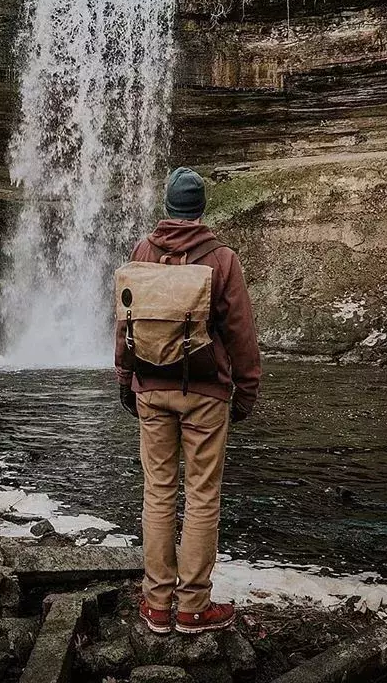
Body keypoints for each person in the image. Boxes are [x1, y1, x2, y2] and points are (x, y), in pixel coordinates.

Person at [115, 166, 262, 635]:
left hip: (151, 389)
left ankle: (157, 604)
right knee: (201, 496)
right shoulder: (222, 258)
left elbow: (125, 321)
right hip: (205, 392)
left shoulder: (142, 251)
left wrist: (125, 377)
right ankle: (193, 606)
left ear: (168, 207)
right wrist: (246, 390)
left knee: (158, 492)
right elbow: (240, 334)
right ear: (200, 209)